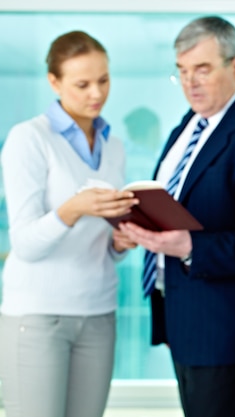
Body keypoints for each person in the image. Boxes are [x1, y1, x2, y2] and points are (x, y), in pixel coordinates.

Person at [118, 16, 235, 417]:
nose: (191, 82)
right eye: (182, 72)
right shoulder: (189, 125)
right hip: (185, 320)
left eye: (203, 70)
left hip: (226, 332)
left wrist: (191, 246)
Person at [0, 31, 138, 417]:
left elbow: (101, 244)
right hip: (39, 316)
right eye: (82, 84)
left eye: (104, 80)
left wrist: (119, 243)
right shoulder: (29, 138)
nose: (96, 93)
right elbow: (25, 243)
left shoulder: (113, 145)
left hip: (98, 313)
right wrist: (72, 209)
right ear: (54, 82)